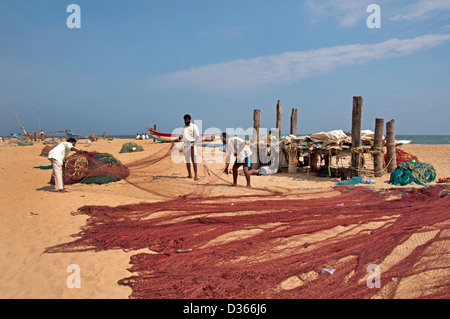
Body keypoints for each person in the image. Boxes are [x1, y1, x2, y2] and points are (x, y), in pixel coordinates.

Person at [174, 114, 200, 180]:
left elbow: (197, 136)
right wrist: (176, 139)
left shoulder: (194, 126)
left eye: (187, 120)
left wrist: (194, 144)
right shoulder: (183, 128)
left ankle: (196, 175)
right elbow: (181, 136)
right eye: (185, 120)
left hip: (192, 144)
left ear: (189, 120)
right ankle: (189, 174)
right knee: (187, 160)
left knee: (194, 160)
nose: (186, 121)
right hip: (185, 145)